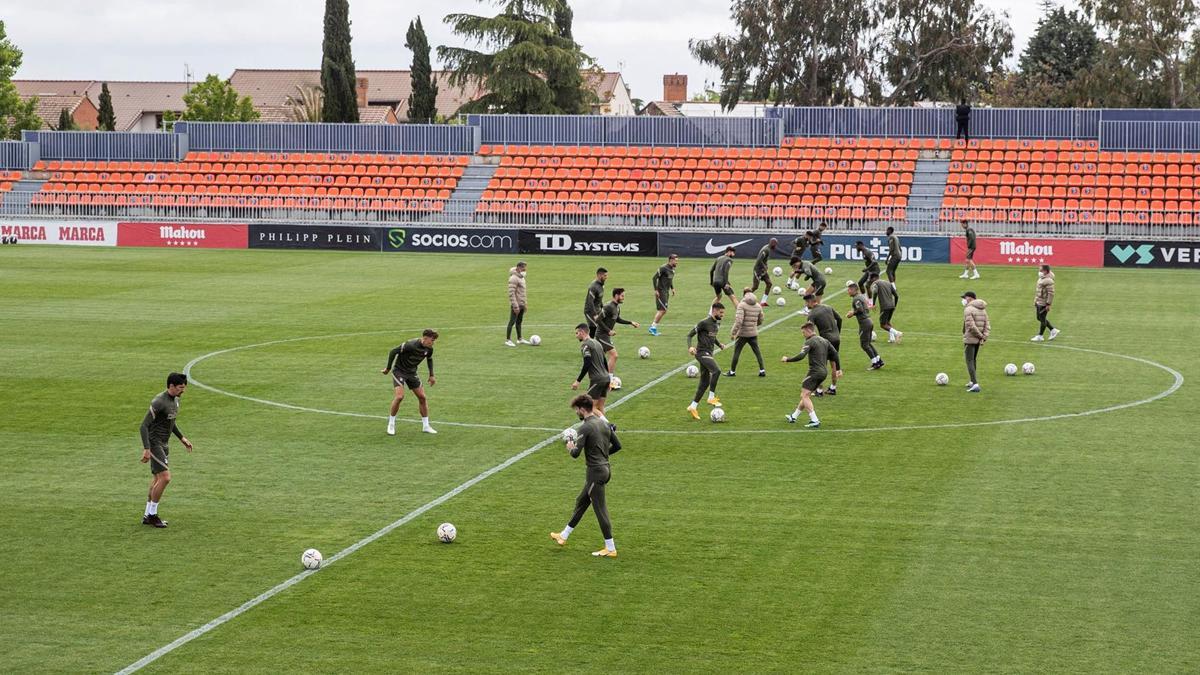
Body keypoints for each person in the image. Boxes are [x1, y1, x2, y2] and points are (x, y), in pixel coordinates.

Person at [550, 394, 622, 558]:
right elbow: (618, 445)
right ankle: (563, 535)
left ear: (582, 409)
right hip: (604, 469)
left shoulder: (585, 427)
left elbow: (576, 453)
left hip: (595, 473)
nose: (577, 413)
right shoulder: (603, 424)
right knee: (581, 501)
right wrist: (603, 456)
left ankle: (610, 548)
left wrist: (570, 446)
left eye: (577, 410)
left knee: (600, 509)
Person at [139, 372, 193, 528]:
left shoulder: (175, 400)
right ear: (171, 386)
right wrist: (146, 448)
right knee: (165, 477)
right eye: (180, 388)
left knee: (157, 479)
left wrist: (182, 438)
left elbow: (171, 421)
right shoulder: (159, 402)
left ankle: (147, 515)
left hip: (164, 443)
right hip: (154, 443)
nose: (183, 391)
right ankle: (152, 515)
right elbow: (143, 426)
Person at [781, 322, 842, 428]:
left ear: (809, 330)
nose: (803, 335)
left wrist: (788, 359)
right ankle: (794, 416)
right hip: (823, 372)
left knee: (804, 395)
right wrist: (839, 369)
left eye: (803, 332)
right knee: (806, 395)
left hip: (815, 372)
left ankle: (814, 420)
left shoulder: (810, 341)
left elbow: (801, 356)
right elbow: (835, 354)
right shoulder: (824, 340)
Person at [382, 329, 438, 435]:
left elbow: (429, 359)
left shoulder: (429, 349)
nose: (433, 342)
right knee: (399, 397)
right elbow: (393, 351)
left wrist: (431, 375)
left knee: (422, 397)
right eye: (432, 340)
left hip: (412, 373)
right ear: (425, 338)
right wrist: (388, 369)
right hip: (399, 371)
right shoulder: (411, 345)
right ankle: (391, 424)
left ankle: (426, 426)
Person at [686, 303, 728, 419]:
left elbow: (712, 336)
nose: (722, 315)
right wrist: (690, 347)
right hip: (701, 353)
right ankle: (711, 397)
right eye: (721, 313)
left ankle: (693, 406)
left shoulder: (716, 324)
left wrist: (719, 345)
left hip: (709, 353)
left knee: (704, 383)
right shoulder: (704, 322)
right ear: (714, 311)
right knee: (717, 371)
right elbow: (689, 335)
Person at [571, 324, 613, 420]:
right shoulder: (597, 343)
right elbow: (605, 361)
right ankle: (604, 429)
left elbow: (587, 363)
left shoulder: (585, 344)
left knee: (589, 407)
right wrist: (609, 379)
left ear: (582, 332)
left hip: (597, 379)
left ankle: (608, 425)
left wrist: (578, 381)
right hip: (605, 378)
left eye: (577, 333)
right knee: (600, 407)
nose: (576, 335)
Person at [805, 294, 842, 395]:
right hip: (836, 338)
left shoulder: (812, 314)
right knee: (833, 363)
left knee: (821, 365)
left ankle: (819, 390)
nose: (806, 304)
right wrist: (838, 332)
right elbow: (839, 319)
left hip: (826, 340)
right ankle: (833, 388)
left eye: (806, 302)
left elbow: (809, 329)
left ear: (810, 302)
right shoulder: (828, 307)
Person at [597, 288, 640, 374]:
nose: (623, 298)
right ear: (616, 296)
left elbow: (617, 319)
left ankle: (600, 378)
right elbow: (598, 320)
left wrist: (630, 323)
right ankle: (609, 380)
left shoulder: (617, 307)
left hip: (606, 336)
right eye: (622, 296)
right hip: (601, 335)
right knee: (614, 355)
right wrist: (608, 330)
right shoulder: (608, 306)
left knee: (599, 360)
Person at [845, 282, 883, 370]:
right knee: (868, 343)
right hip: (868, 321)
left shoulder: (856, 299)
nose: (848, 292)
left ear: (853, 290)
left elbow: (860, 310)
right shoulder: (861, 296)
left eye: (849, 290)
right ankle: (879, 360)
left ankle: (875, 363)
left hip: (864, 323)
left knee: (864, 345)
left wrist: (852, 313)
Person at [728, 289, 765, 377]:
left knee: (737, 352)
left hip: (743, 334)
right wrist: (754, 326)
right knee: (757, 352)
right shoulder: (758, 306)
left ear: (744, 295)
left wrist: (733, 332)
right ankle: (762, 370)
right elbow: (761, 319)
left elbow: (739, 321)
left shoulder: (742, 305)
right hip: (753, 333)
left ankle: (732, 371)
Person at [962, 291, 990, 393]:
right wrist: (983, 337)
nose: (964, 300)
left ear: (969, 298)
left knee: (969, 360)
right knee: (973, 360)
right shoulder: (983, 309)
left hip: (970, 339)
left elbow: (970, 325)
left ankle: (975, 383)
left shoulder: (968, 309)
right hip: (978, 340)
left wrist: (980, 335)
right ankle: (972, 381)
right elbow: (987, 324)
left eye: (965, 298)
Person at [869, 272, 903, 343]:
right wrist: (895, 306)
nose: (871, 281)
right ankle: (892, 338)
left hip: (885, 306)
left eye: (871, 280)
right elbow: (896, 296)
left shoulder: (876, 283)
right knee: (887, 322)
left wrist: (873, 303)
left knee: (883, 325)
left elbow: (875, 292)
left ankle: (897, 333)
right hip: (892, 306)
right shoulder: (888, 283)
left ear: (873, 278)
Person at [649, 254, 678, 336]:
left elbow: (670, 279)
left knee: (662, 310)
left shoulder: (672, 269)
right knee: (663, 310)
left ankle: (653, 327)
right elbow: (654, 278)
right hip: (661, 292)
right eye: (676, 260)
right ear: (671, 260)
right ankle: (653, 327)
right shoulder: (663, 268)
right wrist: (656, 290)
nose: (677, 262)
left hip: (666, 292)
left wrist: (672, 288)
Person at [1032, 264, 1060, 342]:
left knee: (1042, 318)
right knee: (1039, 318)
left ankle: (1040, 336)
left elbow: (1051, 293)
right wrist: (1036, 300)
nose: (1039, 271)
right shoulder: (1041, 278)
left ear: (1045, 271)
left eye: (1041, 270)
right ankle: (1053, 330)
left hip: (1043, 303)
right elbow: (1038, 290)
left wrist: (1048, 304)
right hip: (1039, 301)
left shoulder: (1048, 280)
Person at [505, 261, 529, 347]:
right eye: (523, 268)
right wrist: (515, 306)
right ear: (518, 268)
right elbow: (511, 293)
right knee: (512, 321)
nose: (525, 269)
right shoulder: (514, 278)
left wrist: (525, 304)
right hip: (516, 305)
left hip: (521, 304)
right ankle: (508, 340)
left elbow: (522, 292)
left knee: (519, 322)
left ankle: (520, 339)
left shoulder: (521, 277)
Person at [751, 238, 778, 306]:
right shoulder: (766, 250)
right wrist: (764, 266)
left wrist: (765, 267)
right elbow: (759, 260)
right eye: (775, 244)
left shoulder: (768, 248)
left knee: (769, 284)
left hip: (763, 271)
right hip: (758, 270)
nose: (775, 246)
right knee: (755, 287)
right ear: (772, 243)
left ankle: (763, 302)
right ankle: (744, 298)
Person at [584, 268, 608, 338]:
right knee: (594, 328)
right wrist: (594, 314)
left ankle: (596, 345)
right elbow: (590, 302)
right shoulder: (593, 287)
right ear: (599, 275)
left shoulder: (601, 285)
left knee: (601, 327)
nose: (606, 277)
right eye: (605, 276)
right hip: (590, 311)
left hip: (597, 310)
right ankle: (588, 346)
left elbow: (599, 299)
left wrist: (603, 308)